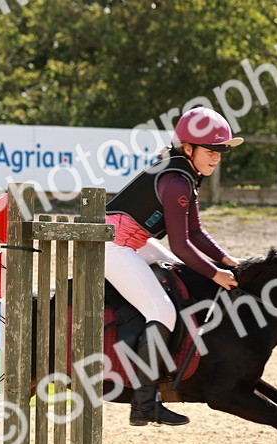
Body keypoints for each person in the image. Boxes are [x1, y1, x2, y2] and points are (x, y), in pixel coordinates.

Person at [105, 106, 242, 426]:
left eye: (220, 152)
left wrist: (226, 259)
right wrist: (216, 274)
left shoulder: (186, 173)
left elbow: (195, 233)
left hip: (130, 241)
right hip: (110, 246)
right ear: (189, 148)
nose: (217, 158)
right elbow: (181, 243)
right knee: (162, 311)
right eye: (212, 151)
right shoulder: (178, 181)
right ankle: (143, 404)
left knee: (181, 270)